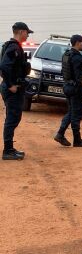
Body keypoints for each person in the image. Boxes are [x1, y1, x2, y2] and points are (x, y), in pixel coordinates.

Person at [0, 22, 33, 160]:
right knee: (12, 119)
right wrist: (10, 85)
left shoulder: (14, 46)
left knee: (13, 117)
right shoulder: (13, 47)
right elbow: (4, 66)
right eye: (27, 32)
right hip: (12, 89)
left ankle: (10, 148)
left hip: (14, 88)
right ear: (20, 32)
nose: (28, 35)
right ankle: (7, 151)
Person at [53, 35, 82, 148]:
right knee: (77, 114)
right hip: (75, 89)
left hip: (67, 86)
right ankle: (77, 140)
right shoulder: (76, 57)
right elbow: (80, 78)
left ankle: (60, 134)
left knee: (71, 112)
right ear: (77, 43)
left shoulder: (67, 55)